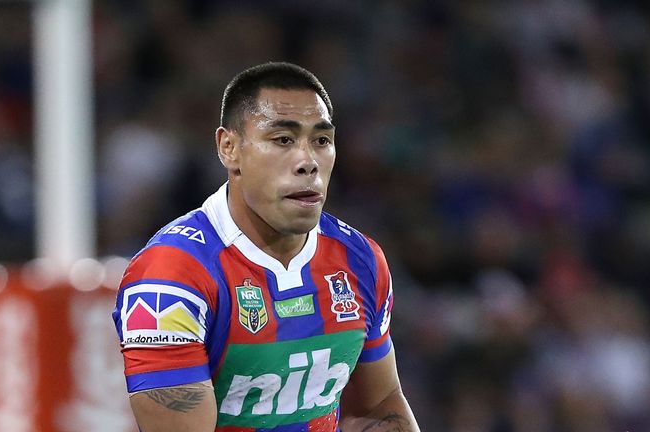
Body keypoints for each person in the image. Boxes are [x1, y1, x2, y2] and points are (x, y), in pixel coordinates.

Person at [112, 62, 420, 432]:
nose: (308, 162)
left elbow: (377, 409)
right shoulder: (170, 277)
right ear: (229, 148)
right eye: (283, 140)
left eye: (321, 141)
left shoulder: (360, 260)